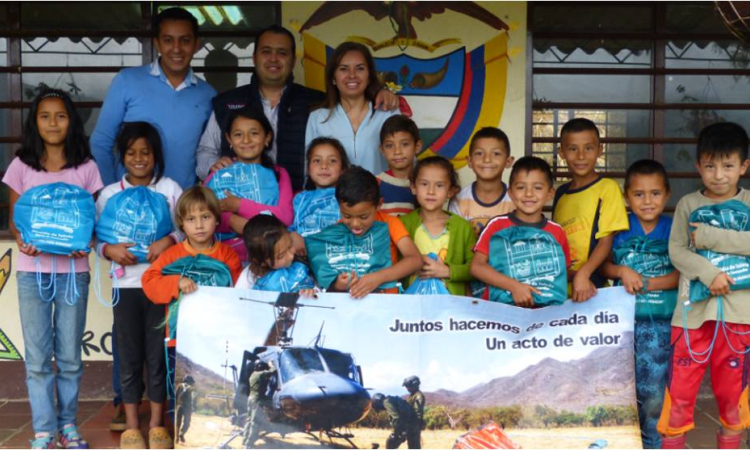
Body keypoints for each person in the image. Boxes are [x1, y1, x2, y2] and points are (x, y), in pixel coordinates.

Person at [3, 89, 104, 449]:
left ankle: (68, 427)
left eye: (60, 115)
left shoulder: (87, 167)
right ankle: (44, 430)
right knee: (37, 358)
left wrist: (89, 240)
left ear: (71, 121)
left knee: (70, 358)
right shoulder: (21, 165)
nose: (52, 123)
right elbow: (17, 220)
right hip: (33, 272)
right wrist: (21, 238)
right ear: (35, 122)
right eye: (44, 116)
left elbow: (93, 219)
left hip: (73, 275)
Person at [196, 25, 399, 191]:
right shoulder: (228, 102)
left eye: (282, 53)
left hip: (295, 202)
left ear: (293, 61)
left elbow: (350, 91)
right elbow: (206, 151)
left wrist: (379, 91)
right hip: (236, 199)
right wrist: (214, 168)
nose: (274, 59)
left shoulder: (315, 102)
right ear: (254, 57)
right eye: (266, 52)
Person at [657, 122, 750, 449]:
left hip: (739, 316)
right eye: (710, 166)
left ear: (744, 166)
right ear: (698, 166)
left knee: (731, 394)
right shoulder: (688, 204)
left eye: (728, 166)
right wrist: (710, 275)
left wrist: (709, 237)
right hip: (691, 315)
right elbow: (677, 250)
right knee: (680, 393)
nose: (719, 175)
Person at [95, 122, 182, 449]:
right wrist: (109, 250)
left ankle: (158, 424)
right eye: (131, 152)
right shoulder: (108, 194)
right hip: (125, 288)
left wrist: (168, 240)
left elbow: (188, 229)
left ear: (155, 155)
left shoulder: (170, 189)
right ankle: (132, 426)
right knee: (129, 356)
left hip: (161, 286)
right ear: (122, 156)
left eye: (145, 152)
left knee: (158, 354)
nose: (139, 158)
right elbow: (97, 240)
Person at [91, 7, 216, 190]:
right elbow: (101, 142)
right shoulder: (127, 81)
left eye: (185, 41)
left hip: (182, 208)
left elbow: (209, 152)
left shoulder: (208, 95)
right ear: (157, 43)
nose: (176, 48)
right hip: (130, 204)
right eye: (168, 40)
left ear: (197, 44)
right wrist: (112, 192)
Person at [142, 186, 243, 413]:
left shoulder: (227, 255)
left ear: (217, 220)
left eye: (205, 217)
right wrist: (175, 281)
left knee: (215, 384)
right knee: (181, 390)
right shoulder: (172, 255)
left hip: (216, 336)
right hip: (181, 337)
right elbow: (149, 281)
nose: (199, 225)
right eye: (191, 219)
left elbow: (238, 293)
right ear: (181, 223)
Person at [599, 159, 677, 449]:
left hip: (660, 324)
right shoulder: (619, 228)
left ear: (667, 194)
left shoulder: (673, 229)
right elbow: (602, 266)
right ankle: (622, 440)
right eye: (639, 194)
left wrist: (649, 283)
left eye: (655, 193)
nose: (647, 201)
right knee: (619, 386)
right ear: (626, 196)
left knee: (654, 389)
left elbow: (684, 273)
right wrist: (621, 271)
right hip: (621, 325)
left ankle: (652, 441)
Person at [471, 157, 571, 306]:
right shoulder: (497, 226)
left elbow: (563, 272)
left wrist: (584, 276)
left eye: (537, 188)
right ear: (510, 192)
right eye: (520, 188)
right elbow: (476, 267)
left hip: (545, 316)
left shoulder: (556, 232)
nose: (528, 194)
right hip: (500, 313)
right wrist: (514, 287)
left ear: (550, 193)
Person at [552, 118, 628, 302]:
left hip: (594, 287)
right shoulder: (561, 193)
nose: (581, 156)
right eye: (572, 149)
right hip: (563, 289)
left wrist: (583, 275)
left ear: (600, 150)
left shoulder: (607, 188)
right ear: (561, 152)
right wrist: (571, 275)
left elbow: (606, 242)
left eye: (588, 148)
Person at [203, 107, 293, 262]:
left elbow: (285, 217)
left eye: (254, 133)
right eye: (238, 134)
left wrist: (238, 205)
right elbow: (200, 211)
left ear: (267, 137)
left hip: (269, 259)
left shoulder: (279, 174)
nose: (246, 140)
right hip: (222, 259)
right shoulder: (218, 174)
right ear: (229, 139)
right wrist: (232, 220)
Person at [305, 42, 399, 175]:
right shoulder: (318, 118)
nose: (352, 75)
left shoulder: (388, 113)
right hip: (333, 195)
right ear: (333, 77)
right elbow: (309, 171)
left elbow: (406, 163)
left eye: (360, 68)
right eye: (343, 68)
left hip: (382, 194)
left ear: (369, 77)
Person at [329, 167, 422, 298]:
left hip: (385, 305)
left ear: (379, 204)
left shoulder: (390, 223)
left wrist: (379, 278)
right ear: (338, 206)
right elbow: (329, 278)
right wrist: (337, 285)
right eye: (347, 216)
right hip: (349, 307)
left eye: (363, 217)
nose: (355, 224)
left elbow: (415, 260)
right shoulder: (337, 230)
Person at [400, 156, 476, 296]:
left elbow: (476, 268)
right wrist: (414, 262)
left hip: (450, 310)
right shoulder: (403, 224)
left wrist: (448, 271)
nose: (431, 191)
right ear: (413, 187)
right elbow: (391, 263)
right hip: (410, 308)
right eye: (424, 184)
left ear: (451, 191)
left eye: (439, 185)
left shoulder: (462, 228)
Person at [289, 137, 351, 255]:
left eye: (332, 161)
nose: (324, 166)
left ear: (342, 169)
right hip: (302, 257)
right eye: (317, 160)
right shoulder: (300, 199)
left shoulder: (348, 196)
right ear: (308, 169)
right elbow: (293, 228)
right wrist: (291, 235)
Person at [449, 127, 516, 236]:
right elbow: (456, 240)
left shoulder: (516, 199)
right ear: (469, 161)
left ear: (508, 161)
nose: (487, 159)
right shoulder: (459, 200)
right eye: (479, 153)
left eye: (496, 153)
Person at [235, 214, 315, 297]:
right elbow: (239, 302)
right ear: (261, 261)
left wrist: (310, 291)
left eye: (290, 245)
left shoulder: (299, 260)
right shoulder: (249, 278)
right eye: (281, 256)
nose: (290, 256)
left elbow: (317, 287)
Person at [377, 115, 420, 216]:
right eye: (389, 145)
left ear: (417, 146)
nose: (397, 151)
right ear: (382, 149)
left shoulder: (424, 184)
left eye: (404, 144)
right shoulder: (376, 184)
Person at [243, 360, 276, 449]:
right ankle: (249, 444)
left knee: (248, 420)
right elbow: (273, 370)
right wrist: (271, 364)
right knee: (255, 422)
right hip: (257, 400)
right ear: (261, 367)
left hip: (251, 398)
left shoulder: (253, 374)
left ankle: (244, 440)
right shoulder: (260, 374)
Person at [403, 376, 425, 449]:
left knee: (414, 446)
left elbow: (417, 412)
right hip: (411, 424)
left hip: (414, 424)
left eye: (408, 386)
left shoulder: (418, 396)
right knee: (411, 445)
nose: (407, 388)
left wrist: (414, 426)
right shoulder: (413, 395)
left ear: (414, 385)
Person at [175, 375, 195, 444]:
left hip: (179, 406)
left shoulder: (179, 386)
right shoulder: (191, 388)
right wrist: (193, 408)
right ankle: (182, 433)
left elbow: (175, 396)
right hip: (187, 408)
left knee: (178, 423)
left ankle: (177, 438)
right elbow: (192, 399)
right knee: (187, 423)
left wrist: (175, 406)